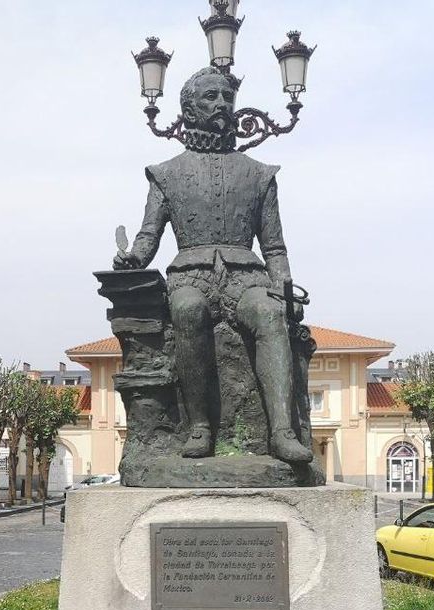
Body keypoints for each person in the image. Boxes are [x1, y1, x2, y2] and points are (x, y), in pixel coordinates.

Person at [113, 66, 311, 464]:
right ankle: (199, 426)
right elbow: (149, 236)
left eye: (226, 97)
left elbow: (274, 247)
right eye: (210, 97)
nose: (222, 104)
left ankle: (281, 432)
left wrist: (284, 286)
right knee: (187, 309)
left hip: (247, 277)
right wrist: (133, 256)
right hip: (191, 274)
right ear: (188, 108)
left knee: (270, 314)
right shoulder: (165, 174)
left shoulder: (259, 175)